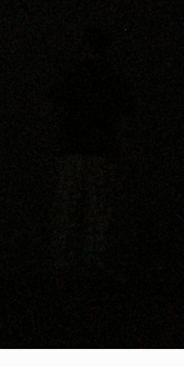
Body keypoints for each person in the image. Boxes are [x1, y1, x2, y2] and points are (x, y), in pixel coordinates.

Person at [48, 28, 134, 273]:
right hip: (102, 151)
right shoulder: (114, 78)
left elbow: (52, 109)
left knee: (67, 207)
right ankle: (92, 260)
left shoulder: (72, 75)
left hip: (72, 149)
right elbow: (123, 120)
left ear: (84, 47)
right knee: (97, 209)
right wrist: (122, 148)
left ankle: (62, 261)